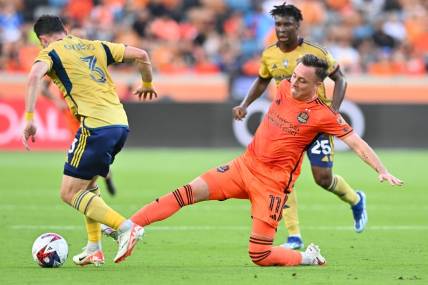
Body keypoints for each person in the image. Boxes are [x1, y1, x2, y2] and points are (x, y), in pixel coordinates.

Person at [109, 54, 402, 266]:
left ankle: (307, 258)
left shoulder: (323, 115)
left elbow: (356, 142)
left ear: (317, 85)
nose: (294, 82)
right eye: (294, 76)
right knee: (185, 192)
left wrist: (382, 169)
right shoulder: (284, 86)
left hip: (272, 187)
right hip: (243, 167)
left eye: (302, 80)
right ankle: (128, 227)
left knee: (259, 255)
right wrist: (245, 104)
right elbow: (264, 80)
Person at [22, 15, 157, 266]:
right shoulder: (95, 45)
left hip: (95, 127)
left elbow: (33, 77)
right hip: (120, 125)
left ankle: (126, 228)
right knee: (87, 187)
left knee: (68, 193)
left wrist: (29, 118)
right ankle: (94, 247)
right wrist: (147, 83)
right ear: (66, 29)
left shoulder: (50, 52)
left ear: (42, 39)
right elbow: (142, 55)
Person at [237, 3, 362, 250]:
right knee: (280, 177)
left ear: (297, 26)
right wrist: (245, 105)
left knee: (323, 178)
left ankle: (356, 200)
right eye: (278, 24)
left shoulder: (314, 53)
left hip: (315, 124)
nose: (281, 29)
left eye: (287, 24)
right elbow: (262, 81)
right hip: (285, 126)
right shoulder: (269, 54)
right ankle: (294, 236)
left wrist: (333, 112)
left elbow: (340, 78)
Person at [41, 78, 118, 196]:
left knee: (94, 151)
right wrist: (57, 100)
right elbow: (43, 88)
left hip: (91, 113)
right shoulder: (56, 62)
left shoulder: (87, 62)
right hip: (73, 116)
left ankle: (100, 177)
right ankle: (101, 176)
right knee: (87, 152)